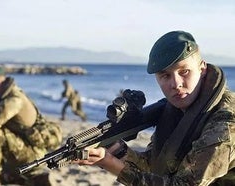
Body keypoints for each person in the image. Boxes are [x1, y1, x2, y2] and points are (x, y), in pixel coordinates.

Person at [74, 31, 235, 185]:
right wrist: (115, 149)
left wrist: (112, 165)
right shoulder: (175, 110)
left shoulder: (226, 119)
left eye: (184, 71)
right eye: (165, 76)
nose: (176, 84)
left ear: (202, 69)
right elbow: (153, 166)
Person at [0, 66, 63, 186]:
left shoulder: (13, 99)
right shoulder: (5, 95)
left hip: (32, 154)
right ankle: (34, 179)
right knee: (8, 177)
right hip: (23, 148)